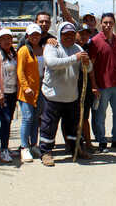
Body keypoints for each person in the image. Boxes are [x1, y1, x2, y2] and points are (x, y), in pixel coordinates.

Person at [39, 22, 92, 166]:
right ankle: (46, 152)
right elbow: (51, 63)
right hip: (52, 96)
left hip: (71, 97)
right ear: (60, 34)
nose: (68, 37)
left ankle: (75, 148)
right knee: (48, 126)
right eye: (65, 34)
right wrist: (75, 58)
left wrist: (87, 62)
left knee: (73, 126)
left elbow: (87, 69)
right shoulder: (52, 46)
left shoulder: (78, 48)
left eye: (71, 34)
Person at [89, 13, 116, 152]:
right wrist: (94, 85)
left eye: (110, 22)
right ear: (101, 24)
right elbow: (90, 66)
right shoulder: (95, 41)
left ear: (114, 24)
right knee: (100, 115)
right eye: (105, 22)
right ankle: (102, 140)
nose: (107, 25)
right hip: (102, 86)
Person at [17, 23, 45, 163]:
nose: (35, 37)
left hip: (40, 90)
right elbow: (20, 71)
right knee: (27, 118)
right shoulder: (23, 50)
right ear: (27, 36)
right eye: (32, 34)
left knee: (36, 118)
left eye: (37, 34)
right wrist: (25, 86)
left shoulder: (43, 49)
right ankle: (24, 147)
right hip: (27, 91)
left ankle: (34, 145)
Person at [0, 29, 18, 163]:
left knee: (8, 121)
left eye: (9, 38)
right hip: (1, 95)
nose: (7, 41)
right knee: (5, 120)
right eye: (3, 39)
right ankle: (3, 150)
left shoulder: (13, 53)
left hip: (12, 93)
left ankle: (5, 147)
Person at [74, 23, 98, 154]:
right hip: (72, 86)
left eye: (86, 34)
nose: (83, 36)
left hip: (86, 86)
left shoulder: (89, 48)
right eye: (81, 33)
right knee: (73, 117)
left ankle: (88, 143)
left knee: (84, 117)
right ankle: (73, 144)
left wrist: (94, 86)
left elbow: (91, 70)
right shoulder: (71, 47)